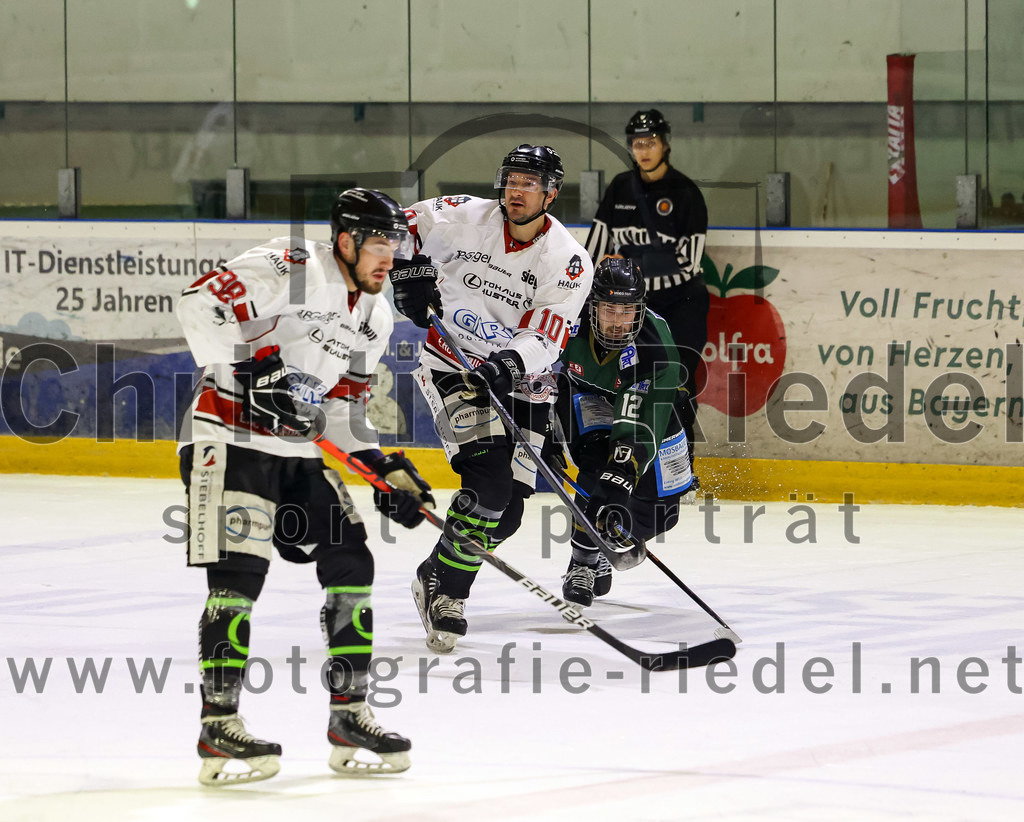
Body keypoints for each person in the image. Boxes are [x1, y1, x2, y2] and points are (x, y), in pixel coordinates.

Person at [176, 188, 434, 784]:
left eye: (393, 244)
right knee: (239, 575)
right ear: (345, 241)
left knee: (352, 560)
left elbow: (340, 411)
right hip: (226, 437)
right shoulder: (295, 266)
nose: (388, 258)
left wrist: (385, 468)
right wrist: (258, 367)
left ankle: (349, 715)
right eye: (377, 243)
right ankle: (219, 725)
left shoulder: (374, 313)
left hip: (293, 451)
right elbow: (200, 301)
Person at [389, 144, 594, 653]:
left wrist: (507, 365)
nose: (515, 190)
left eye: (529, 183)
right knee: (489, 485)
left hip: (524, 381)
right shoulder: (461, 215)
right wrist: (405, 274)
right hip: (452, 366)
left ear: (551, 192)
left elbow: (548, 335)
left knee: (507, 515)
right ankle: (448, 594)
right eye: (510, 180)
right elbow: (393, 230)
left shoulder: (567, 260)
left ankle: (437, 566)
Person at [553, 257, 693, 606]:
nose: (617, 321)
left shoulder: (657, 351)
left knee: (663, 514)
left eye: (627, 310)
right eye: (609, 309)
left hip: (645, 408)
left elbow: (642, 419)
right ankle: (583, 561)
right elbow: (536, 373)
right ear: (592, 305)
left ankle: (604, 540)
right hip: (585, 397)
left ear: (640, 310)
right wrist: (540, 429)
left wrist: (625, 468)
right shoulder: (567, 322)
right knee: (599, 459)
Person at [584, 109, 709, 493]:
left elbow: (689, 259)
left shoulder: (686, 192)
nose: (644, 150)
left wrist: (630, 263)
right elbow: (595, 249)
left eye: (650, 142)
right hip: (628, 307)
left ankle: (678, 472)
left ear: (665, 143)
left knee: (678, 388)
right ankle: (630, 460)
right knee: (629, 386)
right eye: (638, 144)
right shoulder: (620, 188)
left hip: (680, 302)